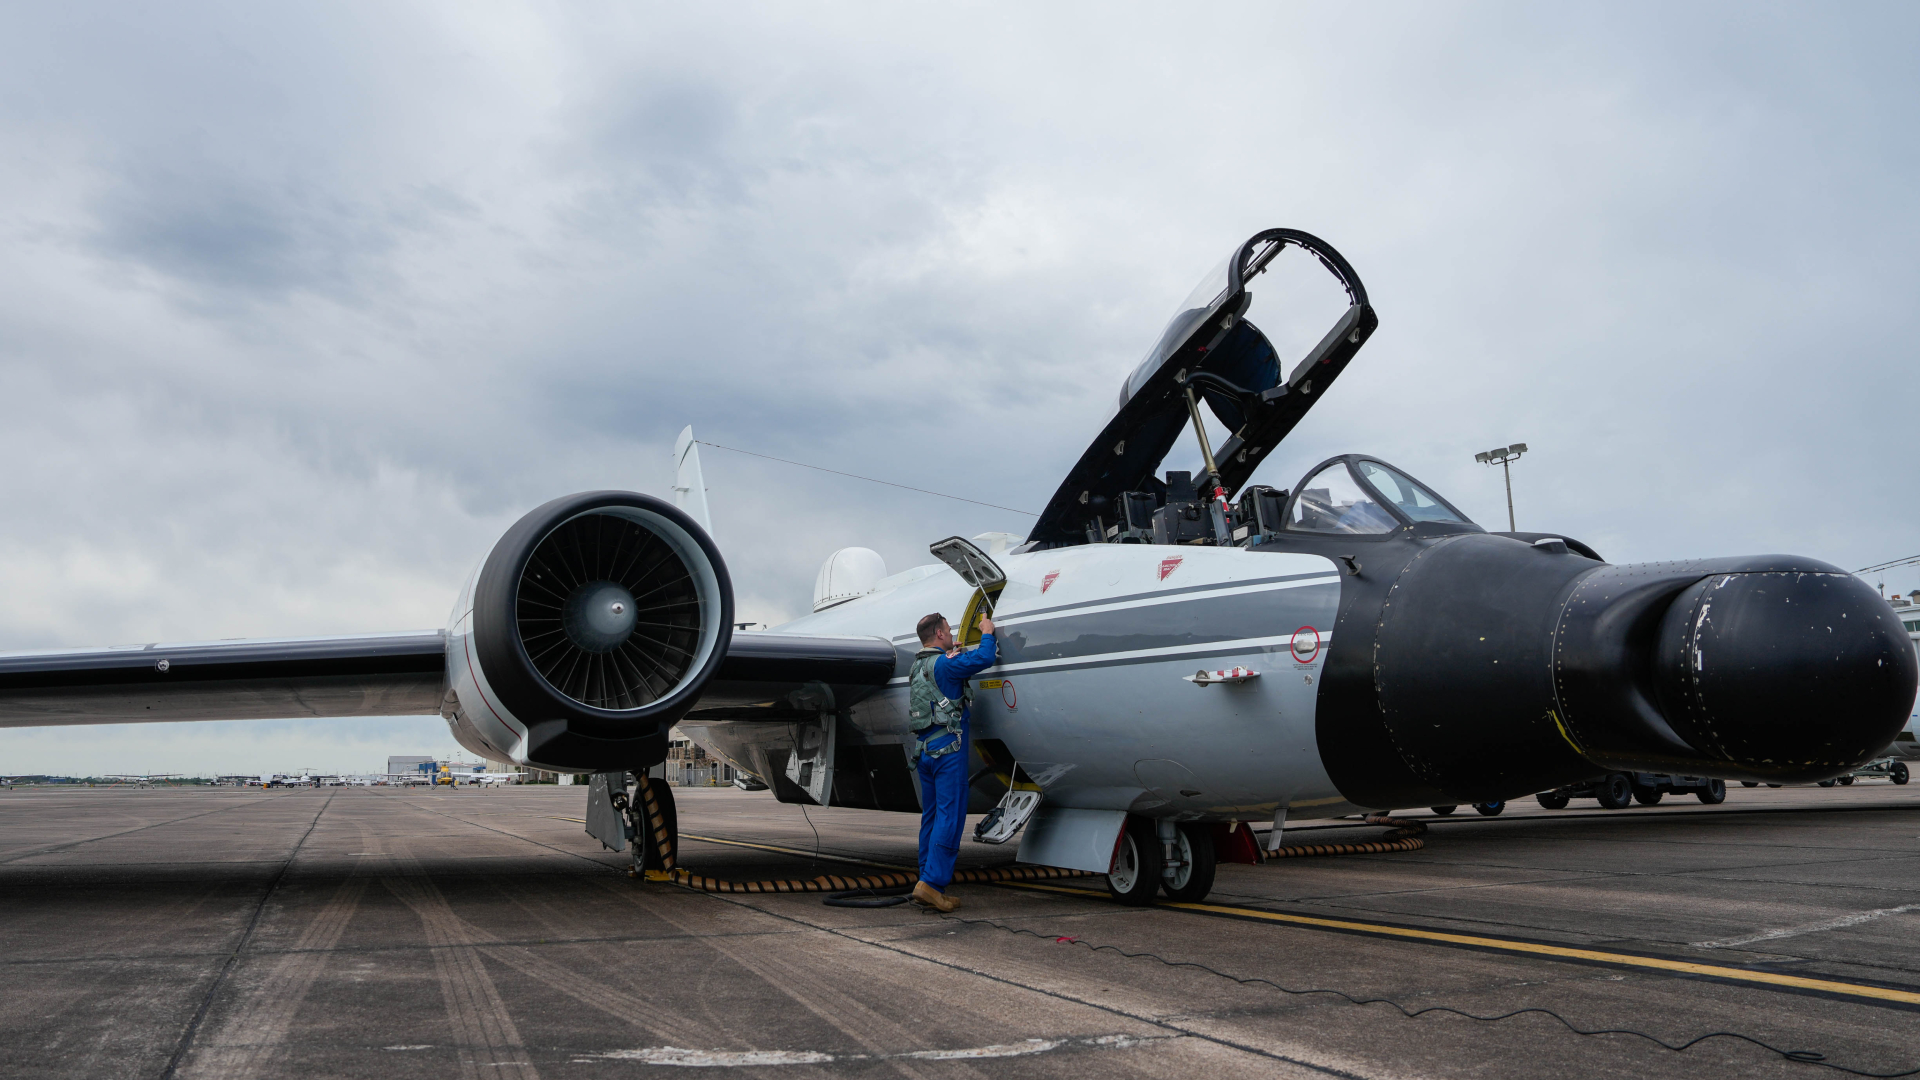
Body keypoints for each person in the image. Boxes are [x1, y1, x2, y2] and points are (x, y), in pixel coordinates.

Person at [906, 610, 998, 912]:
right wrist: (987, 632)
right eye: (948, 629)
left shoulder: (918, 667)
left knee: (931, 817)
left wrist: (954, 654)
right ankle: (933, 885)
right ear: (941, 634)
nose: (950, 632)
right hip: (948, 753)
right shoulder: (947, 665)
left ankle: (925, 878)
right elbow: (985, 658)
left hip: (924, 753)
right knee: (951, 816)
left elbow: (943, 681)